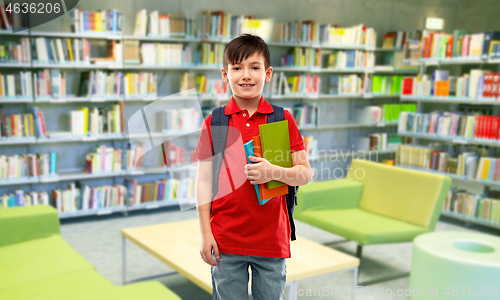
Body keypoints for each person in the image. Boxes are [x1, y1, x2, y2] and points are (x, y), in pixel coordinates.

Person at [195, 33, 312, 300]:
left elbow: (305, 174)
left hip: (271, 240)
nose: (245, 75)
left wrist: (273, 172)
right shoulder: (215, 123)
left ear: (268, 73)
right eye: (237, 68)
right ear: (225, 75)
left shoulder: (282, 119)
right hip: (226, 240)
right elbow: (203, 182)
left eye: (254, 67)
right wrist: (205, 234)